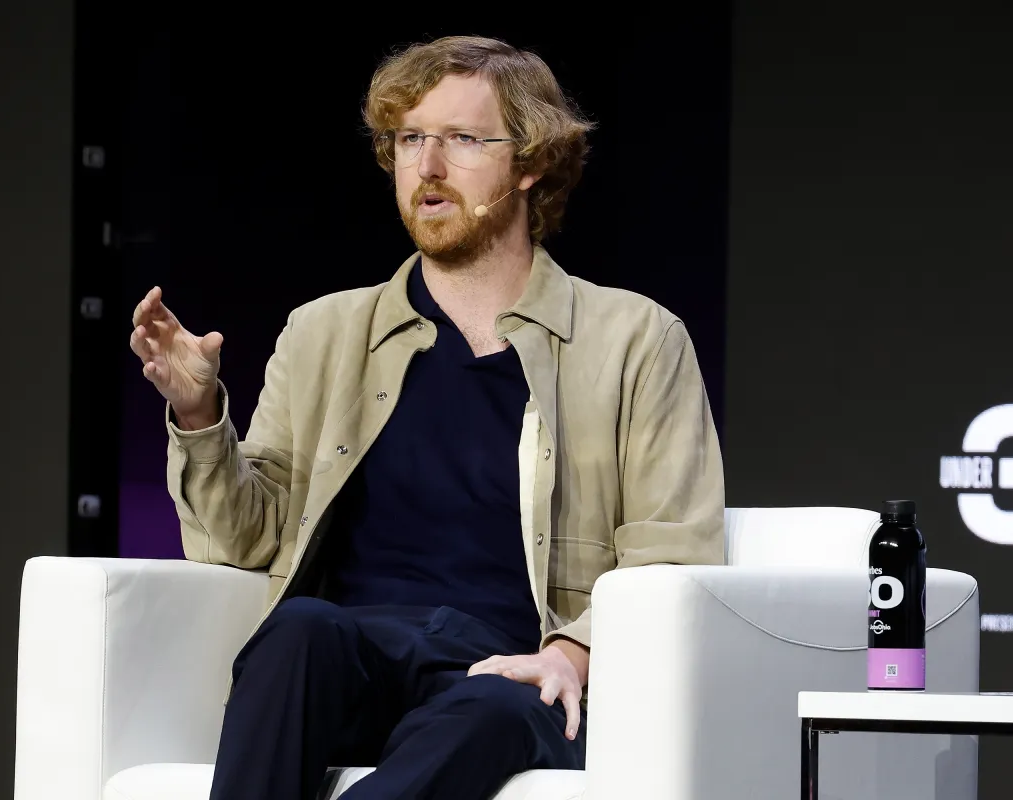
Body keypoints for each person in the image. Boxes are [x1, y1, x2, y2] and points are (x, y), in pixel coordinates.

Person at [129, 34, 725, 800]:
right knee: (297, 629)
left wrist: (573, 653)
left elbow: (671, 553)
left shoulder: (635, 340)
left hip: (512, 672)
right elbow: (245, 542)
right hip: (353, 660)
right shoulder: (323, 332)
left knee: (492, 705)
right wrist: (199, 414)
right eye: (410, 140)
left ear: (531, 163)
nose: (428, 166)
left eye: (463, 140)